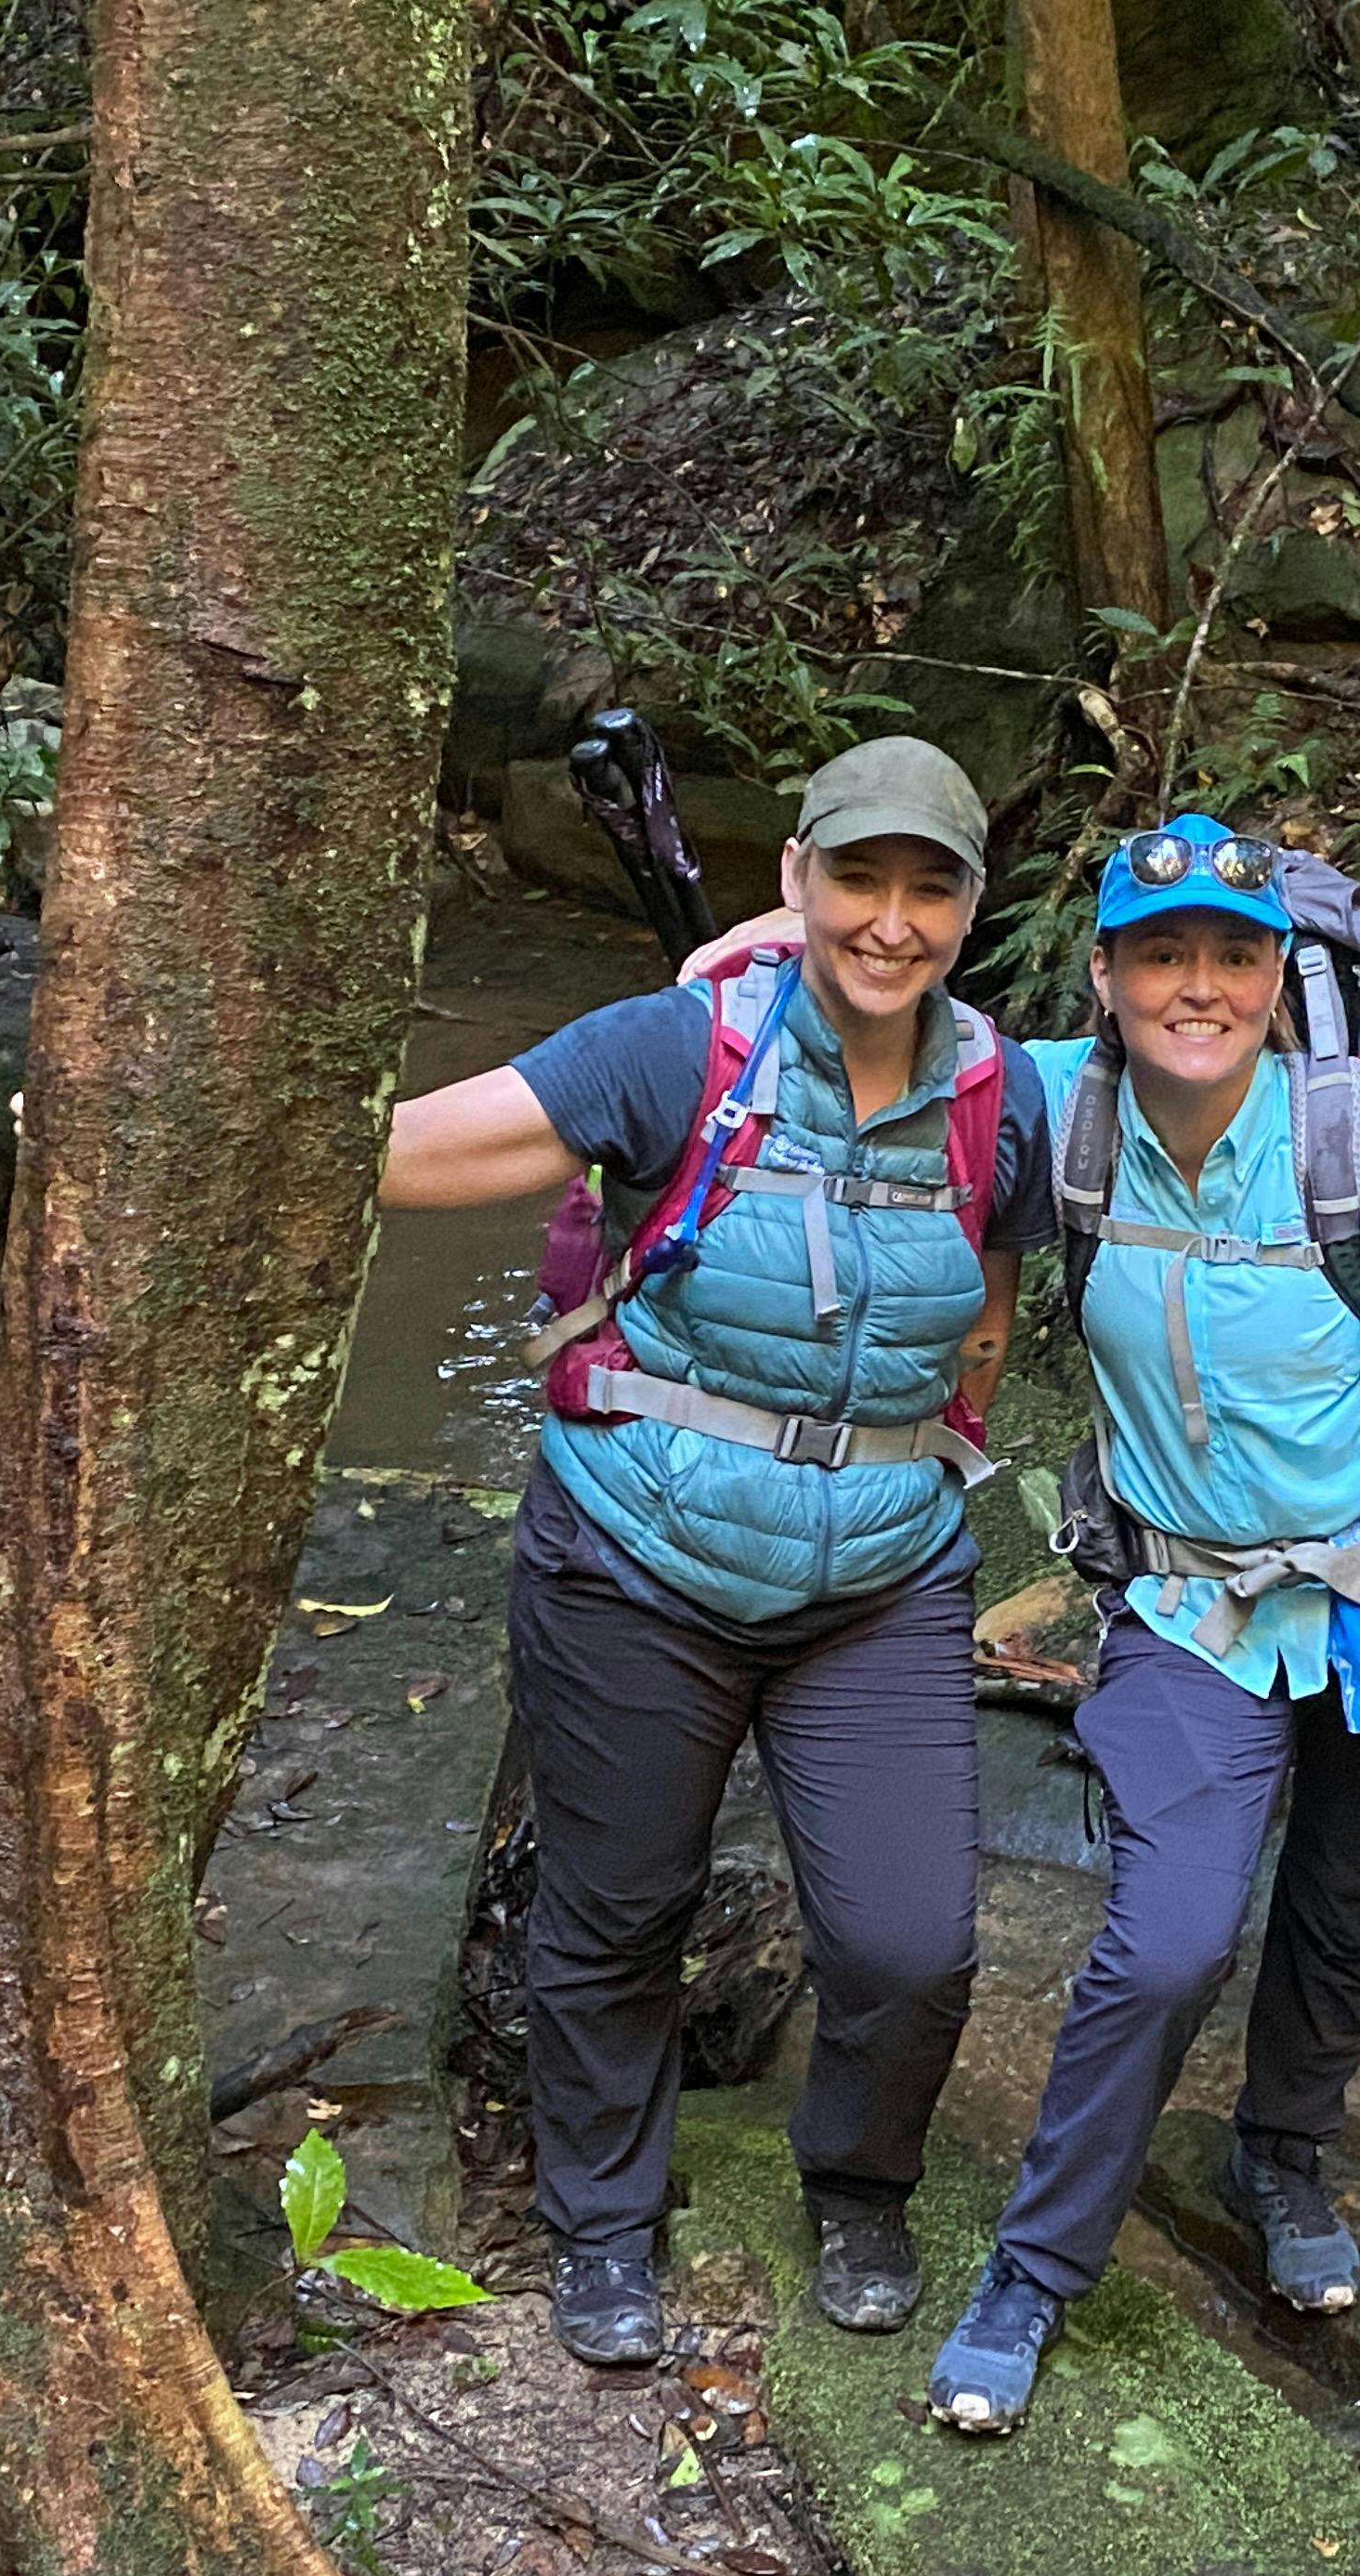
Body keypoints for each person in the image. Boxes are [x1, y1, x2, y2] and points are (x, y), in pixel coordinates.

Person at [379, 737, 1054, 2367]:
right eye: (859, 880)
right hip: (636, 1558)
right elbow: (409, 1152)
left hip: (879, 1575)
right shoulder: (674, 1047)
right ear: (798, 881)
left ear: (969, 909)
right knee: (618, 1909)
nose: (890, 922)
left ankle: (861, 2180)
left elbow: (996, 1301)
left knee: (908, 1937)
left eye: (929, 888)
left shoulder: (1004, 1093)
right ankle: (604, 2223)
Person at [924, 812, 1360, 2434]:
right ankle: (1033, 2271)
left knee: (1349, 1907)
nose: (1199, 987)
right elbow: (892, 1036)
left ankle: (1286, 2158)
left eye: (1234, 956)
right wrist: (754, 954)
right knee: (1169, 1938)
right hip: (1187, 1602)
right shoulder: (1062, 1109)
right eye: (1163, 954)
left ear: (1276, 976)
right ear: (1110, 973)